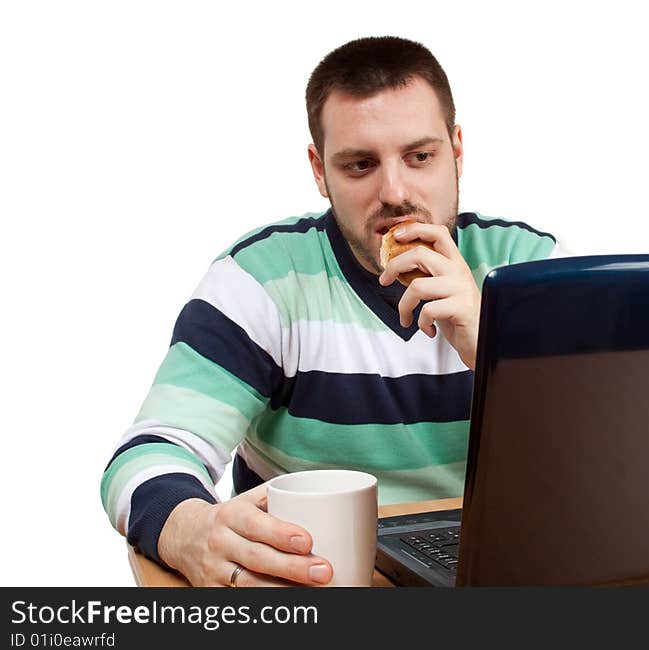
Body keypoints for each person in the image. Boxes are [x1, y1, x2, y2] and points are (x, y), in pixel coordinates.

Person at [100, 36, 566, 587]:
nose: (395, 192)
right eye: (360, 165)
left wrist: (493, 345)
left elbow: (613, 465)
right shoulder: (262, 281)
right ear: (320, 171)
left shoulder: (528, 268)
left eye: (420, 157)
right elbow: (149, 453)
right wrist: (190, 529)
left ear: (457, 152)